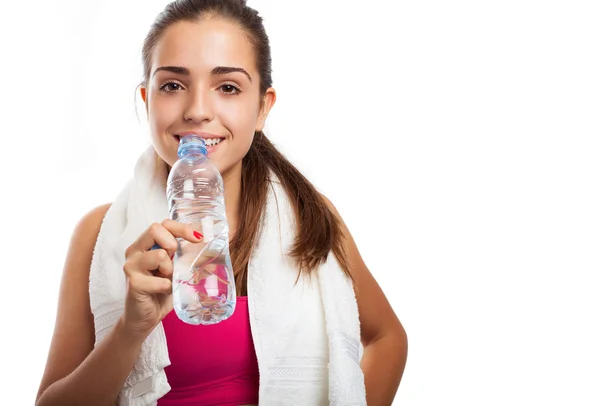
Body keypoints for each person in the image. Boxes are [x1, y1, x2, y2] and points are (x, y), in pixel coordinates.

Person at [35, 1, 408, 405]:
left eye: (227, 87)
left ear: (263, 106)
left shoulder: (310, 218)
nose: (197, 110)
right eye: (173, 85)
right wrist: (130, 329)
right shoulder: (99, 235)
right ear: (146, 99)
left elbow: (388, 339)